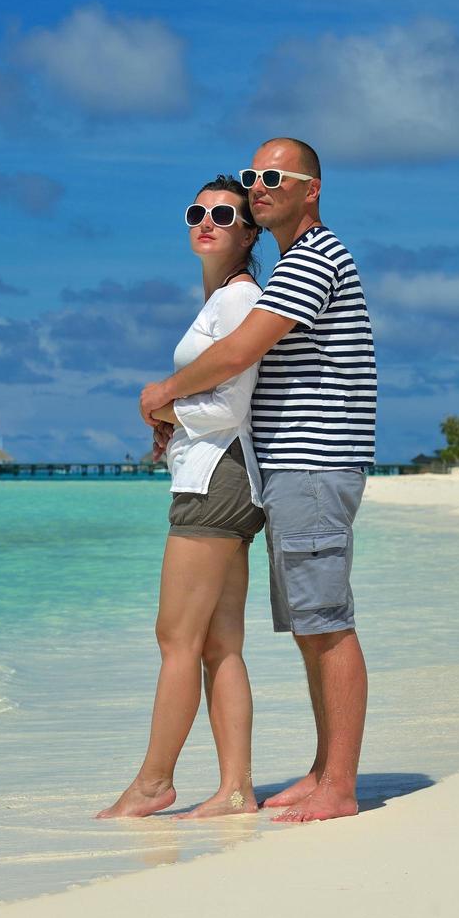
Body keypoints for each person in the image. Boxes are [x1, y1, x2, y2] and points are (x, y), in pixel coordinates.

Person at [139, 138, 375, 823]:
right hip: (291, 466)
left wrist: (162, 393)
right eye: (253, 176)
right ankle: (322, 769)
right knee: (309, 623)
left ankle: (340, 785)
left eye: (273, 176)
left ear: (312, 189)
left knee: (326, 624)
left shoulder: (314, 259)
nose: (259, 185)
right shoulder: (295, 265)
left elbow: (240, 352)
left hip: (313, 461)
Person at [96, 176, 266, 820]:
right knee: (219, 642)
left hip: (215, 477)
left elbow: (229, 403)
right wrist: (171, 408)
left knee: (175, 638)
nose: (208, 222)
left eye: (225, 214)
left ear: (250, 232)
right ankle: (236, 789)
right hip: (221, 475)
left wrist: (164, 402)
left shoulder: (239, 299)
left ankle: (152, 783)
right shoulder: (222, 299)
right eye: (198, 212)